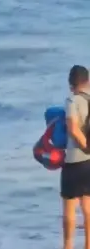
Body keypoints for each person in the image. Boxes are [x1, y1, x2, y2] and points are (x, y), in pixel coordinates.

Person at [61, 65, 90, 249]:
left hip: (73, 160)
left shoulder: (71, 101)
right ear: (87, 81)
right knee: (87, 206)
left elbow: (72, 128)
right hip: (89, 162)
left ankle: (68, 246)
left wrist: (85, 146)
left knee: (69, 208)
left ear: (71, 83)